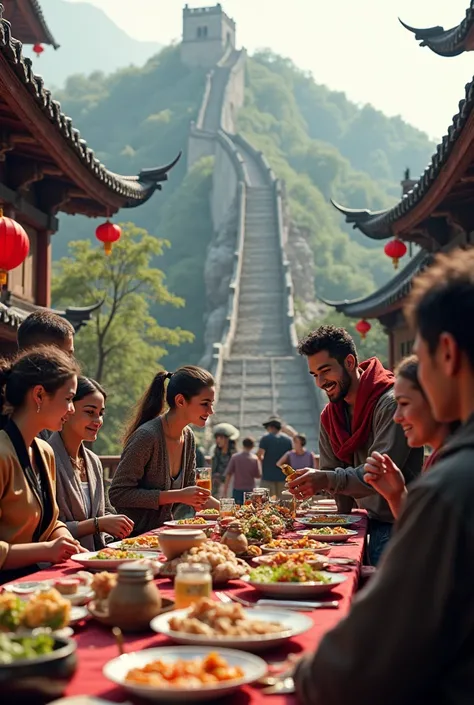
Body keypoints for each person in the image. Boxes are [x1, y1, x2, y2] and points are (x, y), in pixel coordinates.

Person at [294, 248, 474, 705]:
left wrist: (300, 673)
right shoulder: (332, 415)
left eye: (421, 356)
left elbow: (372, 652)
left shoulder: (448, 485)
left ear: (447, 353)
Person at [289, 326, 423, 565]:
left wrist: (327, 479)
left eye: (325, 371)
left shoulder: (391, 404)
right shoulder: (330, 415)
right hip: (361, 521)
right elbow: (332, 477)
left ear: (349, 362)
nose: (320, 382)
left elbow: (376, 475)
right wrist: (330, 531)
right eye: (314, 375)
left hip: (399, 521)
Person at [0, 346, 86, 583]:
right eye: (68, 399)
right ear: (39, 395)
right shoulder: (2, 454)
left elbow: (47, 523)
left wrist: (68, 542)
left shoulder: (45, 451)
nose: (72, 409)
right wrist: (47, 551)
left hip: (33, 580)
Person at [109, 366, 219, 534]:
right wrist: (177, 495)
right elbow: (118, 493)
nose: (210, 411)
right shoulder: (147, 436)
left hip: (165, 536)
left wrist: (234, 512)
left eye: (211, 404)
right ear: (181, 401)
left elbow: (193, 492)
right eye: (205, 404)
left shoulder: (188, 436)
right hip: (133, 541)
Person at [363, 355, 456, 518]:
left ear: (435, 398)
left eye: (404, 404)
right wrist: (396, 496)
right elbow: (427, 530)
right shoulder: (438, 457)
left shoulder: (456, 466)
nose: (397, 417)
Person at [48, 377, 134, 551]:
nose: (98, 420)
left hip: (95, 558)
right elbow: (46, 528)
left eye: (101, 413)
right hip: (60, 562)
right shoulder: (45, 457)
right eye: (90, 412)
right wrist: (97, 524)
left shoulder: (93, 461)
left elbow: (103, 516)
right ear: (68, 409)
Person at [257, 415, 293, 497]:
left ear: (271, 427)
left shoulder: (265, 438)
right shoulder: (288, 440)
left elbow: (259, 454)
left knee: (267, 503)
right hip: (283, 477)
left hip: (268, 476)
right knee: (284, 504)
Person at [223, 437, 262, 504]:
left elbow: (229, 473)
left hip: (237, 489)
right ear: (252, 446)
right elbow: (258, 475)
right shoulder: (255, 459)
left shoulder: (235, 457)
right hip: (250, 489)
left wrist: (225, 491)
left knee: (237, 510)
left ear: (243, 445)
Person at [210, 423, 239, 497]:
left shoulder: (235, 456)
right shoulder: (215, 453)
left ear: (228, 439)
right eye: (217, 437)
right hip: (216, 488)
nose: (218, 440)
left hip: (229, 488)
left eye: (221, 437)